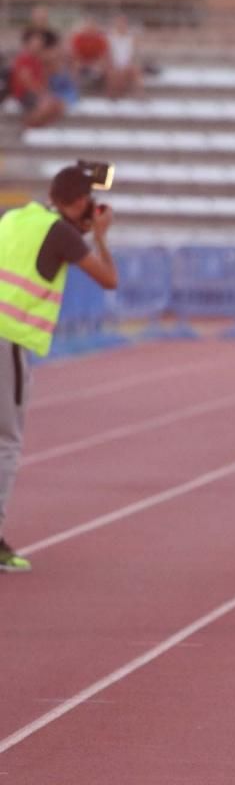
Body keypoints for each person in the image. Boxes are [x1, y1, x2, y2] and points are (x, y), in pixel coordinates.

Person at [0, 165, 120, 572]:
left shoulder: (16, 216)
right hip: (7, 339)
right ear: (82, 201)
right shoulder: (64, 233)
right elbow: (109, 279)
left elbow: (39, 253)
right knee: (6, 442)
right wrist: (101, 238)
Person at [9, 31, 64, 128]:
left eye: (40, 43)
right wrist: (43, 95)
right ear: (28, 44)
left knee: (59, 106)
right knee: (48, 106)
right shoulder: (23, 58)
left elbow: (48, 76)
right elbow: (26, 81)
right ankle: (26, 125)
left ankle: (39, 127)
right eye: (35, 42)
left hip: (36, 92)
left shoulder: (38, 59)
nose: (38, 45)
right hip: (25, 93)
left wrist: (46, 93)